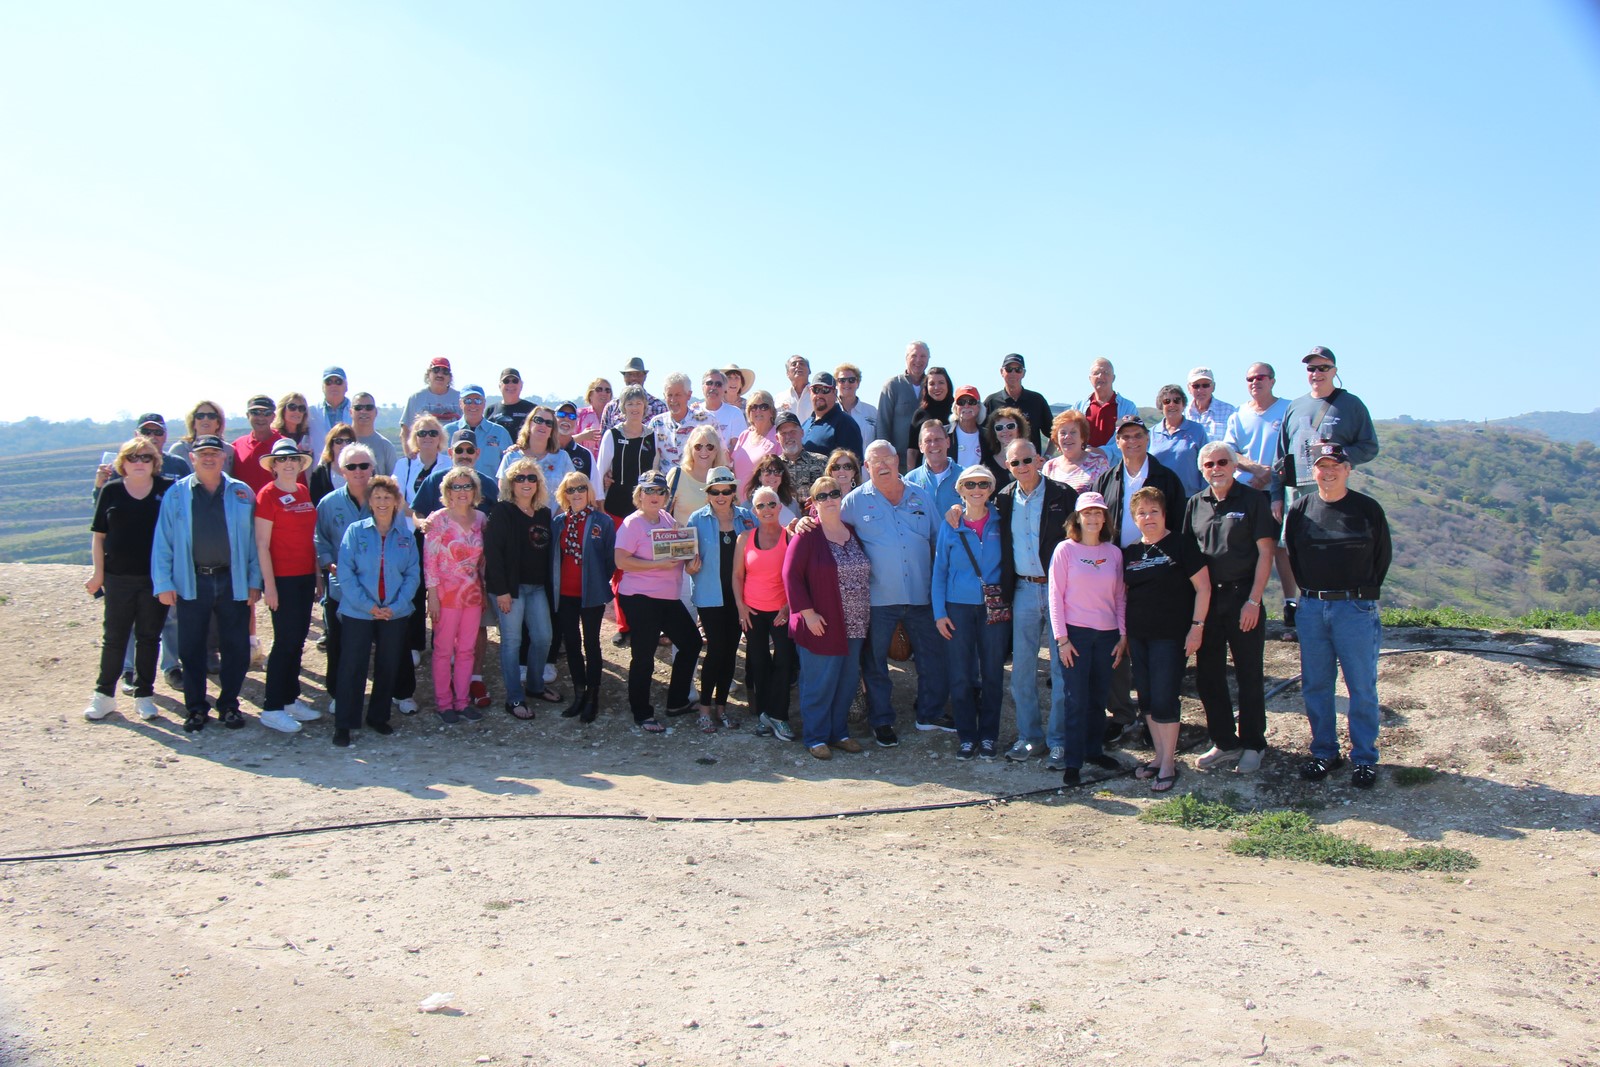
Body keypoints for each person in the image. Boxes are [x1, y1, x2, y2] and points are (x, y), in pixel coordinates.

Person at [1286, 442, 1392, 789]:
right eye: (1322, 466)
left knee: (1361, 686)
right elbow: (1294, 556)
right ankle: (1324, 753)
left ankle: (1364, 759)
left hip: (1354, 608)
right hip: (1312, 607)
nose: (1328, 472)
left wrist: (1362, 595)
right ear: (1313, 471)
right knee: (1316, 685)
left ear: (1348, 469)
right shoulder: (1300, 510)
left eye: (1335, 465)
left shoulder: (1367, 509)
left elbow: (1381, 557)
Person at [150, 433, 261, 733]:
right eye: (203, 454)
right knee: (191, 648)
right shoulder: (176, 494)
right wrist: (163, 583)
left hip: (233, 581)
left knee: (236, 647)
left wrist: (255, 580)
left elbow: (254, 542)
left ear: (224, 457)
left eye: (214, 453)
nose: (209, 458)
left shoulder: (242, 493)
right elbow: (163, 541)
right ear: (192, 458)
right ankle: (196, 708)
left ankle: (229, 705)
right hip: (192, 580)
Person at [840, 440, 946, 746]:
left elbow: (938, 541)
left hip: (921, 595)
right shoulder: (854, 502)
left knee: (931, 658)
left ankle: (930, 713)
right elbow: (837, 540)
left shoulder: (920, 495)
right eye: (876, 461)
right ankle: (882, 720)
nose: (883, 465)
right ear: (866, 467)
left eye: (887, 459)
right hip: (878, 599)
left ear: (897, 459)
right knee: (875, 663)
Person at [1183, 442, 1277, 774]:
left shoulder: (1253, 500)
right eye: (1209, 464)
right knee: (1208, 676)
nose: (1216, 469)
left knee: (1249, 673)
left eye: (1223, 462)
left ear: (1235, 466)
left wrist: (1254, 601)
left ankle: (1253, 743)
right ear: (1202, 470)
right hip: (1207, 601)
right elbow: (1188, 557)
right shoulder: (1195, 504)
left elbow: (1266, 553)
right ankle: (1224, 741)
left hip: (1242, 598)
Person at [1276, 347, 1381, 637]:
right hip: (1297, 495)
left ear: (1334, 371)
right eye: (1311, 368)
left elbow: (1369, 446)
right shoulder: (1295, 406)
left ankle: (1339, 611)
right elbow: (1281, 457)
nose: (1317, 373)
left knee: (1330, 550)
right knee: (1295, 550)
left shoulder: (1351, 405)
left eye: (1323, 368)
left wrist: (1339, 456)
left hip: (1334, 495)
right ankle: (1300, 611)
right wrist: (1276, 495)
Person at [1096, 415, 1187, 743]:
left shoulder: (1166, 478)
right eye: (1125, 437)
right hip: (1118, 567)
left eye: (1137, 435)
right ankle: (1122, 714)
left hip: (1159, 569)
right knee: (1119, 639)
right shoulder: (1107, 478)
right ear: (1117, 442)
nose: (1132, 441)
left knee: (1156, 649)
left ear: (1147, 438)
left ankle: (1158, 722)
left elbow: (1179, 524)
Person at [994, 440, 1077, 767]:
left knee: (1061, 669)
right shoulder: (1003, 499)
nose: (1022, 467)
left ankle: (1060, 741)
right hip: (1023, 590)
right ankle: (1030, 737)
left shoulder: (1063, 495)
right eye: (1015, 463)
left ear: (1039, 460)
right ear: (1007, 466)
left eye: (1027, 460)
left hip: (1059, 591)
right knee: (1022, 671)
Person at [1122, 486, 1210, 792]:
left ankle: (1169, 764)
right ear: (1134, 518)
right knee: (1147, 697)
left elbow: (1203, 588)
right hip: (1139, 636)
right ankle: (1159, 757)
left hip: (1170, 637)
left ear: (1164, 514)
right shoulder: (1131, 552)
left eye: (1154, 511)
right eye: (1142, 513)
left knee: (1165, 697)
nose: (1148, 517)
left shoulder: (1181, 545)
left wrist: (1197, 627)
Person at [83, 436, 173, 723]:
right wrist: (98, 574)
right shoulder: (111, 490)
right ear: (122, 462)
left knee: (149, 637)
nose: (139, 462)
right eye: (133, 457)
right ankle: (104, 695)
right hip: (117, 577)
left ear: (155, 462)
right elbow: (99, 536)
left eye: (146, 457)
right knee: (115, 637)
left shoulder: (167, 489)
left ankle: (144, 696)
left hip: (155, 579)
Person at [783, 475, 870, 760]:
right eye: (822, 496)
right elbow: (790, 576)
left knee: (846, 681)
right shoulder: (807, 534)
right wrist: (807, 614)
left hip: (855, 622)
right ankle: (816, 737)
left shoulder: (851, 531)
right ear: (813, 502)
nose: (829, 499)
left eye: (833, 493)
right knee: (819, 683)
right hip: (821, 622)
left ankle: (838, 733)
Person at [332, 475, 420, 746]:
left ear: (396, 502)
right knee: (352, 666)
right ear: (369, 502)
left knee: (388, 664)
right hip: (359, 611)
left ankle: (378, 717)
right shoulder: (355, 531)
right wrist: (368, 606)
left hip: (394, 612)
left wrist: (395, 606)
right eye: (377, 497)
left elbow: (412, 575)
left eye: (387, 497)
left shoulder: (405, 536)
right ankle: (345, 723)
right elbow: (345, 573)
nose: (382, 502)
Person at [614, 470, 702, 732]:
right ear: (639, 494)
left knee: (691, 642)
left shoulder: (666, 518)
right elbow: (621, 561)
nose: (654, 495)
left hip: (667, 597)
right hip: (640, 597)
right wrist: (658, 565)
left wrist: (690, 564)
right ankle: (642, 713)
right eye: (648, 490)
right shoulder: (632, 523)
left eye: (660, 491)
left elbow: (678, 552)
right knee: (644, 655)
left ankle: (677, 701)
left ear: (666, 495)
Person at [1048, 491, 1127, 785]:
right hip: (1075, 636)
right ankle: (1073, 761)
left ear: (1105, 518)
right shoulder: (1065, 550)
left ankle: (1094, 750)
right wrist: (1062, 639)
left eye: (1098, 513)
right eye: (1087, 513)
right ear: (1077, 518)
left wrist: (1122, 634)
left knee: (1098, 696)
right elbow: (1055, 596)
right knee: (1075, 699)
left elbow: (1120, 597)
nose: (1093, 518)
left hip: (1107, 635)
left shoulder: (1114, 553)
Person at [932, 465, 1007, 760]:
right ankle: (966, 735)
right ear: (960, 489)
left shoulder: (1002, 520)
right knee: (960, 673)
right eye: (970, 484)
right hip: (957, 607)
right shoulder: (950, 524)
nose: (977, 490)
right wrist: (939, 612)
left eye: (983, 484)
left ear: (991, 489)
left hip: (994, 606)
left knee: (992, 673)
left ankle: (988, 735)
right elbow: (939, 570)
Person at [253, 439, 322, 733]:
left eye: (293, 459)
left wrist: (317, 575)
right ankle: (272, 707)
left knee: (298, 640)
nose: (289, 463)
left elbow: (310, 538)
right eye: (282, 460)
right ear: (274, 466)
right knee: (284, 642)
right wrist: (269, 586)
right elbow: (262, 544)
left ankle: (290, 699)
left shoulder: (303, 491)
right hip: (282, 579)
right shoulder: (267, 495)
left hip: (305, 576)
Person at [485, 458, 561, 720]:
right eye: (520, 478)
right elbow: (493, 553)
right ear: (511, 483)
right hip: (510, 589)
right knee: (512, 642)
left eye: (531, 478)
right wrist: (502, 591)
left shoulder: (543, 512)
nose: (526, 482)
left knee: (543, 637)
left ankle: (536, 686)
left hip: (537, 587)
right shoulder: (502, 511)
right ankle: (514, 697)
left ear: (538, 483)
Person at [684, 467, 756, 732]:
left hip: (740, 596)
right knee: (716, 650)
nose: (721, 496)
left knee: (730, 651)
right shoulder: (696, 519)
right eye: (715, 491)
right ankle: (705, 709)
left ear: (734, 492)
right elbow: (685, 557)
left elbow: (762, 547)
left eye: (726, 491)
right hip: (710, 595)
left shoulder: (747, 518)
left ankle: (722, 708)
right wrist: (689, 566)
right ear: (708, 494)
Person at [1225, 362, 1296, 629]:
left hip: (1280, 492)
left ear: (1272, 380)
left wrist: (1270, 475)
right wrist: (1255, 469)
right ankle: (1249, 604)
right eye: (1250, 379)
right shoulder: (1238, 414)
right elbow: (1230, 451)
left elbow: (1291, 447)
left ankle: (1291, 604)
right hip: (1248, 491)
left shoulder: (1288, 409)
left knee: (1282, 549)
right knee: (1249, 551)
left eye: (1261, 377)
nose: (1255, 382)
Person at [315, 443, 379, 719]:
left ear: (372, 468)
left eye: (364, 465)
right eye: (351, 466)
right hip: (341, 588)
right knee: (339, 644)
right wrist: (330, 564)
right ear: (342, 471)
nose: (358, 471)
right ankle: (338, 694)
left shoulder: (383, 498)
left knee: (379, 644)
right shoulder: (329, 503)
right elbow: (320, 539)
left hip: (378, 587)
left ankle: (386, 695)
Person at [424, 467, 488, 723]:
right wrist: (432, 596)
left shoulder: (481, 519)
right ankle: (444, 704)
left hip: (472, 594)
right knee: (443, 651)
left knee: (467, 650)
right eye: (456, 486)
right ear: (447, 491)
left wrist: (484, 591)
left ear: (475, 490)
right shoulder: (438, 520)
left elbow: (483, 562)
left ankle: (462, 702)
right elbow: (429, 561)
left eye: (467, 486)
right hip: (445, 595)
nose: (462, 491)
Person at [550, 471, 614, 723]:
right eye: (570, 489)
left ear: (589, 492)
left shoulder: (602, 521)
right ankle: (579, 692)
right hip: (565, 593)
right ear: (564, 494)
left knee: (592, 644)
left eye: (581, 489)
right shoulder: (559, 522)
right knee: (572, 643)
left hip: (591, 593)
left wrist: (597, 580)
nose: (576, 494)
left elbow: (609, 559)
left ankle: (592, 697)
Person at [733, 485, 795, 742]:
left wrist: (788, 606)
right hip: (752, 610)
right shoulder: (744, 538)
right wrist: (740, 606)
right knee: (758, 663)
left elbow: (797, 577)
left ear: (780, 507)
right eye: (761, 505)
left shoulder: (790, 537)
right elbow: (737, 575)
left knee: (785, 663)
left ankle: (779, 716)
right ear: (754, 511)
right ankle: (765, 715)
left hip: (782, 610)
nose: (767, 509)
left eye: (771, 504)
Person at [598, 385, 657, 647]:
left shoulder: (652, 437)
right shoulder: (612, 435)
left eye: (639, 403)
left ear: (645, 407)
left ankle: (643, 622)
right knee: (621, 569)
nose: (634, 408)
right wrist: (600, 507)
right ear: (622, 408)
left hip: (643, 511)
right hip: (616, 509)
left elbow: (655, 473)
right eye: (630, 404)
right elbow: (600, 471)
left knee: (644, 565)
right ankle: (624, 625)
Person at [413, 429, 500, 517]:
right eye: (459, 450)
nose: (464, 455)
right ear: (450, 453)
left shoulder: (488, 483)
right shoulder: (434, 480)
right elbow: (418, 513)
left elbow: (498, 515)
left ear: (477, 453)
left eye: (470, 451)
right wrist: (423, 523)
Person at [1072, 358, 1138, 465]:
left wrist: (1103, 452)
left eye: (1106, 372)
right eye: (1096, 373)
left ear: (1113, 378)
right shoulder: (1078, 407)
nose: (1100, 376)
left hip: (1115, 469)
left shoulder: (1127, 407)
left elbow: (1131, 439)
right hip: (1082, 468)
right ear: (1090, 378)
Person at [875, 340, 931, 469]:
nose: (918, 360)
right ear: (906, 358)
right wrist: (885, 458)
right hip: (897, 463)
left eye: (923, 356)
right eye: (914, 356)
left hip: (928, 462)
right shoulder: (893, 385)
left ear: (928, 359)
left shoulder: (933, 386)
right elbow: (883, 425)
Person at [983, 353, 1052, 454]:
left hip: (1030, 462)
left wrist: (1047, 457)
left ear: (1023, 373)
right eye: (1009, 369)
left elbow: (1054, 433)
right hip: (999, 462)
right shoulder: (991, 401)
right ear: (1001, 372)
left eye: (1018, 369)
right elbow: (981, 435)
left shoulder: (1037, 400)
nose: (1013, 373)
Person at [648, 373, 714, 473]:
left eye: (678, 395)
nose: (673, 400)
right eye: (669, 395)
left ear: (689, 395)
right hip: (666, 481)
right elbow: (651, 459)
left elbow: (719, 454)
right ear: (664, 396)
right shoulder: (657, 423)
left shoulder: (707, 420)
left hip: (698, 480)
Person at [1151, 384, 1209, 496]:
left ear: (1183, 405)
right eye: (1167, 401)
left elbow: (1206, 463)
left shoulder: (1197, 430)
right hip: (1158, 499)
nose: (1172, 404)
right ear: (1161, 406)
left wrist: (1204, 496)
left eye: (1177, 400)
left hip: (1189, 497)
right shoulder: (1151, 433)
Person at [444, 384, 513, 479]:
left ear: (484, 403)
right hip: (457, 487)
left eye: (478, 400)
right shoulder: (447, 431)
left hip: (490, 488)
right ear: (460, 403)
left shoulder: (500, 432)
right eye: (468, 401)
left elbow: (510, 466)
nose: (473, 405)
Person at [501, 405, 574, 491]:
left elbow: (572, 488)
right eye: (539, 420)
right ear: (529, 424)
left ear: (552, 430)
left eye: (549, 423)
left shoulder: (562, 457)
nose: (543, 425)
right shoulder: (511, 456)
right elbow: (503, 491)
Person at [401, 357, 461, 457]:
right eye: (436, 370)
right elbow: (405, 431)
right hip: (423, 457)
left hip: (454, 455)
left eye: (445, 371)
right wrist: (409, 456)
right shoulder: (415, 398)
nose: (440, 374)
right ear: (428, 374)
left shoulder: (460, 397)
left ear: (450, 377)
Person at [801, 371, 864, 459]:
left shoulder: (845, 424)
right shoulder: (805, 425)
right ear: (810, 392)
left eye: (825, 390)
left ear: (835, 392)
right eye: (815, 389)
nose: (819, 395)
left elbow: (853, 463)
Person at [904, 420, 961, 517]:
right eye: (928, 441)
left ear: (947, 442)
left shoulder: (965, 476)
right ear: (921, 447)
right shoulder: (910, 480)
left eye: (938, 439)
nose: (933, 444)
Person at [669, 424, 723, 525]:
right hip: (683, 535)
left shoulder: (725, 478)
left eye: (709, 447)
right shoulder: (677, 475)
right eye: (698, 447)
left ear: (716, 450)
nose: (704, 451)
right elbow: (661, 514)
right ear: (690, 449)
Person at [1043, 409, 1109, 491]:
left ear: (1083, 437)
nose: (1067, 436)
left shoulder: (1099, 462)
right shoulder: (1049, 466)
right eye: (1063, 433)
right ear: (1057, 438)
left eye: (1073, 432)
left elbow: (1107, 495)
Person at [731, 389, 780, 497]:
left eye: (763, 407)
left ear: (771, 411)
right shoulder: (744, 435)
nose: (758, 411)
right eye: (753, 407)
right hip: (740, 501)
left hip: (764, 502)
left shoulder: (778, 437)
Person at [230, 394, 283, 494]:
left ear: (273, 417)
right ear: (248, 415)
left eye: (267, 413)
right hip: (244, 503)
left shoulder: (285, 446)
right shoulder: (237, 445)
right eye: (255, 412)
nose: (261, 418)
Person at [393, 414, 448, 509]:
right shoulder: (403, 464)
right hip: (409, 518)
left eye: (433, 433)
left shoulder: (450, 464)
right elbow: (396, 498)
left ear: (440, 438)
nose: (427, 437)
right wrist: (417, 516)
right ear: (415, 438)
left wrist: (437, 516)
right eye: (422, 433)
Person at [599, 357, 666, 430]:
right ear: (624, 377)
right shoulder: (611, 407)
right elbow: (604, 435)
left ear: (645, 377)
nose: (634, 378)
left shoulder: (659, 406)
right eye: (629, 374)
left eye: (638, 374)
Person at [907, 366, 954, 470]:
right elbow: (912, 450)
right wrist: (910, 475)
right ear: (926, 387)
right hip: (925, 473)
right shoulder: (920, 414)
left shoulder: (956, 410)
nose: (936, 387)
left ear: (948, 385)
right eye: (932, 384)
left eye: (941, 383)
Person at [169, 401, 233, 474]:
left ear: (218, 423)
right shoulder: (178, 449)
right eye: (200, 416)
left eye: (211, 416)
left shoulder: (229, 450)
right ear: (193, 423)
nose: (205, 419)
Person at [775, 412, 825, 507]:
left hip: (815, 515)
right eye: (783, 433)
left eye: (793, 432)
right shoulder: (773, 468)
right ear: (777, 438)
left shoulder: (822, 462)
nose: (788, 437)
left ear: (802, 433)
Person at [306, 366, 352, 459]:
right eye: (328, 382)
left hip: (350, 465)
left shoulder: (357, 411)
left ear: (346, 386)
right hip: (319, 466)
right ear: (323, 387)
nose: (333, 385)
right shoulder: (310, 412)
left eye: (338, 382)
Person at [1184, 367, 1237, 443]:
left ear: (1213, 386)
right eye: (1196, 386)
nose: (1200, 390)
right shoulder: (1182, 412)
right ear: (1188, 388)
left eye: (1205, 385)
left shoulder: (1229, 411)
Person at [349, 392, 399, 474]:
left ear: (376, 412)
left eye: (369, 407)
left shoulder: (386, 446)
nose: (363, 411)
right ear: (351, 412)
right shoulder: (340, 442)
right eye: (358, 407)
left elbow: (393, 479)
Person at [308, 424, 355, 506]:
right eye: (339, 441)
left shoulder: (362, 468)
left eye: (348, 441)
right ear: (331, 445)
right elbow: (315, 502)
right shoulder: (320, 472)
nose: (344, 445)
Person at [983, 407, 1030, 489]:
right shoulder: (986, 464)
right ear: (994, 433)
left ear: (1019, 430)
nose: (1005, 431)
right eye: (999, 428)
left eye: (1010, 426)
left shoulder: (1030, 460)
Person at [745, 454, 799, 524]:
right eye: (767, 471)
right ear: (759, 477)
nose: (772, 476)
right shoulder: (747, 507)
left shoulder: (792, 504)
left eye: (777, 472)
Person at [696, 367, 747, 443]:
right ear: (702, 387)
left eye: (718, 384)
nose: (713, 387)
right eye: (709, 383)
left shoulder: (736, 412)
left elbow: (737, 446)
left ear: (724, 388)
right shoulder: (693, 412)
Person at [485, 367, 535, 438]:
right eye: (506, 381)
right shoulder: (491, 410)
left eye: (515, 381)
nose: (511, 384)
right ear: (500, 386)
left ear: (521, 385)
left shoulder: (532, 409)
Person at [834, 362, 877, 444]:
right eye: (842, 380)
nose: (847, 383)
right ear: (836, 384)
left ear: (858, 383)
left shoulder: (872, 412)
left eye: (851, 380)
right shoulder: (829, 411)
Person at [949, 385, 987, 470]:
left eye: (971, 402)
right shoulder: (944, 434)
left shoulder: (988, 436)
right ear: (955, 408)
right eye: (961, 402)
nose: (966, 406)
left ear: (979, 407)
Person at [554, 401, 594, 478]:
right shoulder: (543, 449)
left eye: (572, 416)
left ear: (576, 422)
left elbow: (594, 484)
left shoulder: (586, 455)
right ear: (553, 418)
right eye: (561, 414)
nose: (566, 419)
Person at [573, 378, 612, 457]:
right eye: (599, 389)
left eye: (607, 390)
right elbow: (565, 441)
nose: (604, 393)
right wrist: (583, 436)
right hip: (582, 461)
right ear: (590, 395)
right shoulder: (579, 415)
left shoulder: (615, 418)